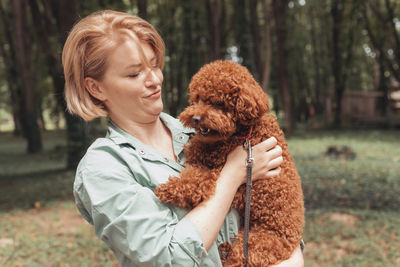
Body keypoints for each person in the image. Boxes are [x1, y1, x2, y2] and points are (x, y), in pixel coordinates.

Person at [62, 10, 304, 267]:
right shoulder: (103, 169)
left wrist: (293, 259)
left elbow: (280, 219)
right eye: (134, 74)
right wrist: (233, 174)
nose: (154, 80)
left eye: (154, 65)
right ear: (95, 87)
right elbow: (169, 258)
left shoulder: (208, 134)